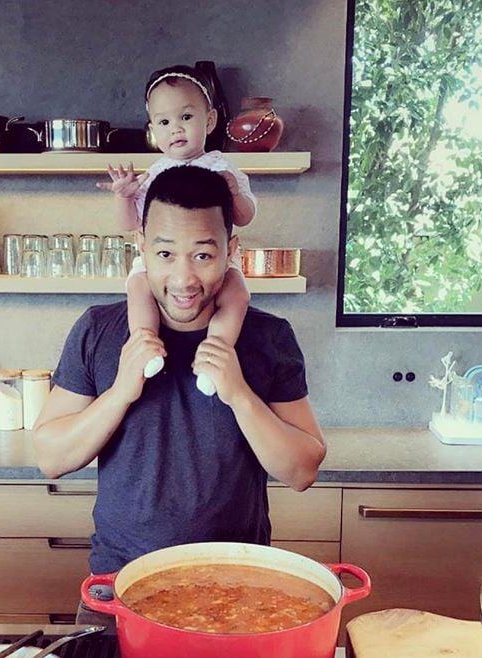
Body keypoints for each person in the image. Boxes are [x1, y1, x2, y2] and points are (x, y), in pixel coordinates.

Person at [34, 165, 326, 629]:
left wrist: (240, 394)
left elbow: (303, 469)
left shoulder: (268, 337)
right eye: (166, 253)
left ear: (231, 250)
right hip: (117, 586)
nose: (184, 278)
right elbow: (51, 457)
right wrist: (120, 393)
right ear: (141, 247)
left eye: (203, 255)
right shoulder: (98, 330)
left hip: (237, 590)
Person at [97, 65, 257, 396]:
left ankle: (215, 354)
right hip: (161, 259)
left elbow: (244, 217)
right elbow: (131, 224)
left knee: (238, 293)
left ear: (209, 120)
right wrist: (124, 196)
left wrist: (234, 192)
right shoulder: (153, 174)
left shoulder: (223, 167)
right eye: (164, 122)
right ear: (152, 129)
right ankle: (145, 346)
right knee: (138, 287)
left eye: (186, 117)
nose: (176, 129)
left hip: (215, 261)